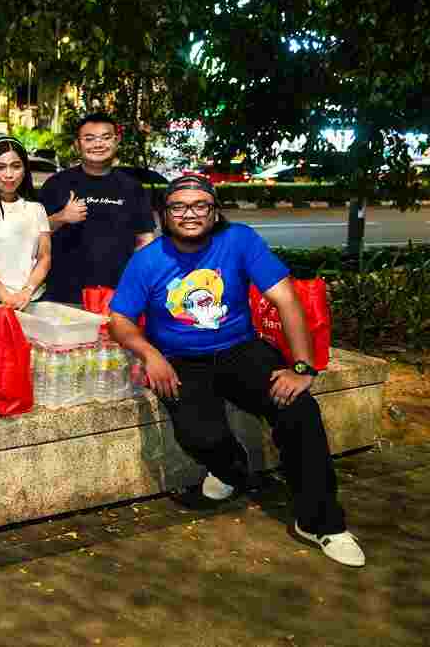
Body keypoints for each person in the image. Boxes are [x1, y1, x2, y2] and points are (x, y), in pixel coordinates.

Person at [108, 174, 365, 567]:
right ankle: (230, 469)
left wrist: (301, 367)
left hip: (240, 350)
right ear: (164, 215)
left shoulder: (239, 240)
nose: (189, 214)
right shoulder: (147, 260)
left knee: (298, 410)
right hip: (179, 359)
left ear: (215, 212)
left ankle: (321, 523)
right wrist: (149, 353)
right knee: (199, 436)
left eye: (200, 205)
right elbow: (120, 320)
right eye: (178, 206)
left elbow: (287, 300)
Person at [38, 112, 156, 304]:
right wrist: (62, 217)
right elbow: (34, 235)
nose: (98, 144)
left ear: (116, 141)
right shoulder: (56, 184)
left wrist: (138, 283)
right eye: (89, 138)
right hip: (63, 295)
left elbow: (144, 241)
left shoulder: (132, 187)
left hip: (117, 296)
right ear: (77, 144)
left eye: (105, 137)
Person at [0, 136, 52, 309]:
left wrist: (27, 291)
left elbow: (44, 257)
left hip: (30, 301)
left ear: (25, 169)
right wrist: (7, 298)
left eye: (16, 166)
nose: (9, 174)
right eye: (0, 167)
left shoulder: (37, 208)